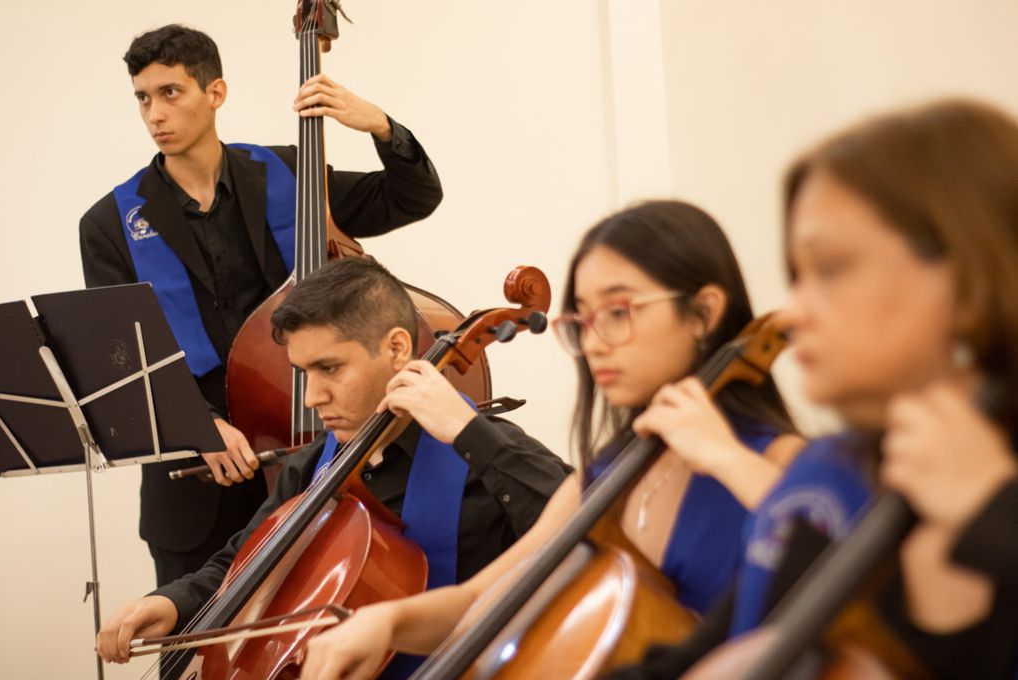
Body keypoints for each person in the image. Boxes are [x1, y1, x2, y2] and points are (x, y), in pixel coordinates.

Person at [296, 200, 804, 680]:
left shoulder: (781, 462)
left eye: (619, 311)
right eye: (582, 319)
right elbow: (481, 602)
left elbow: (846, 555)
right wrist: (384, 623)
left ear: (704, 313)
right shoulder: (605, 476)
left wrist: (723, 454)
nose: (593, 344)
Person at [610, 100, 1018, 679]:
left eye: (829, 269)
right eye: (796, 275)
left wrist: (994, 520)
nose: (796, 313)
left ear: (972, 278)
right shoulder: (823, 480)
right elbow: (694, 663)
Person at [78, 24, 444, 587]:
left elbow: (411, 197)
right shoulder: (108, 225)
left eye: (171, 93)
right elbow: (119, 364)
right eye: (143, 98)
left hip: (312, 456)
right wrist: (200, 427)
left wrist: (380, 125)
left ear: (215, 93)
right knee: (194, 656)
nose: (155, 113)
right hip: (196, 485)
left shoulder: (289, 173)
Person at [94, 256, 571, 679]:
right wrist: (170, 603)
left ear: (398, 349)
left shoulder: (481, 450)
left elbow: (586, 519)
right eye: (304, 372)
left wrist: (470, 432)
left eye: (330, 368)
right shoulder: (313, 467)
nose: (311, 397)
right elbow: (245, 563)